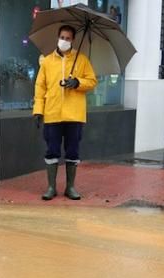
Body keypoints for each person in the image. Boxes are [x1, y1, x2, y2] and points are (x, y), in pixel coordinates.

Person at [32, 25, 98, 201]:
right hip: (52, 113)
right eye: (62, 37)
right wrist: (38, 110)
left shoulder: (81, 60)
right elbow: (40, 86)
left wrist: (77, 82)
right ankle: (51, 187)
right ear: (57, 37)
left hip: (74, 115)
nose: (64, 41)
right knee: (52, 150)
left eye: (68, 38)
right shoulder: (47, 61)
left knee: (72, 151)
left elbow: (92, 81)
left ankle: (70, 187)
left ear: (73, 40)